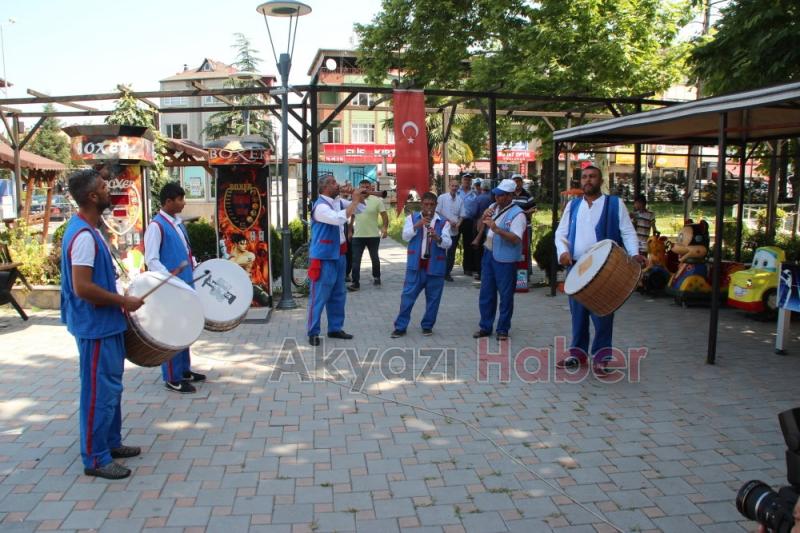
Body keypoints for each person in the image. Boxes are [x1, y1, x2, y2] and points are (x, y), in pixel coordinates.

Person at [60, 168, 144, 479]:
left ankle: (110, 442)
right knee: (98, 392)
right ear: (93, 197)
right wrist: (124, 301)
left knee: (110, 388)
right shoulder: (83, 236)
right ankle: (95, 458)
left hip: (105, 324)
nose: (110, 189)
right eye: (104, 186)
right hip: (95, 326)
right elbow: (83, 288)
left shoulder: (91, 229)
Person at [554, 166, 645, 371]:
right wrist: (563, 252)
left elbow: (628, 232)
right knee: (578, 314)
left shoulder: (614, 204)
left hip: (605, 268)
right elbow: (560, 233)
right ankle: (577, 354)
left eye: (592, 177)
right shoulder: (573, 206)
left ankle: (601, 357)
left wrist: (633, 254)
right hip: (577, 267)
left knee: (603, 314)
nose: (588, 180)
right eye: (585, 177)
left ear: (601, 180)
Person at [144, 182, 206, 394]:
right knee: (172, 331)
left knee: (185, 328)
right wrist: (169, 278)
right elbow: (151, 260)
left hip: (185, 285)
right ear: (168, 201)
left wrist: (195, 266)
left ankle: (184, 370)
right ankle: (171, 376)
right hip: (171, 288)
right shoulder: (156, 226)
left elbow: (186, 252)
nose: (183, 202)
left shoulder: (177, 223)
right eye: (180, 199)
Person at [307, 175, 365, 346]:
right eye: (333, 182)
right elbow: (339, 219)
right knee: (319, 296)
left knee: (339, 294)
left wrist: (358, 195)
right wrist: (353, 200)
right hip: (323, 257)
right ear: (325, 187)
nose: (337, 184)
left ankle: (335, 328)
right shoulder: (320, 206)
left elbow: (361, 209)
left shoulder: (338, 202)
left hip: (339, 254)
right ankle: (313, 331)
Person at [391, 192, 452, 338]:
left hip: (435, 266)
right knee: (407, 297)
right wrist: (418, 225)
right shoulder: (411, 218)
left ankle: (427, 326)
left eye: (432, 204)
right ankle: (400, 327)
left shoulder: (444, 222)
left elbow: (448, 243)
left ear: (436, 205)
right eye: (426, 204)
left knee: (433, 299)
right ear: (421, 204)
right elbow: (405, 236)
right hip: (416, 266)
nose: (429, 207)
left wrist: (437, 238)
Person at [473, 179, 527, 341]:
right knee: (486, 293)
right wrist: (482, 217)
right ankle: (485, 326)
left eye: (502, 195)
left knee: (505, 295)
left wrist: (496, 229)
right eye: (496, 194)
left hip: (506, 259)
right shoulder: (492, 207)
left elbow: (516, 239)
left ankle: (503, 329)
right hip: (489, 254)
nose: (498, 198)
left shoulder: (518, 214)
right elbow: (479, 228)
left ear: (510, 196)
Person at [349, 179, 388, 291]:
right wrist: (350, 230)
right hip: (358, 235)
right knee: (356, 259)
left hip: (373, 235)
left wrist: (385, 228)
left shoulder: (377, 200)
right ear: (359, 188)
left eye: (367, 186)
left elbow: (384, 216)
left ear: (371, 188)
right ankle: (355, 283)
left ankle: (377, 276)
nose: (365, 189)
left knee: (374, 258)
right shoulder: (355, 200)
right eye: (363, 186)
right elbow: (352, 215)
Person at [436, 179, 464, 282]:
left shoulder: (460, 200)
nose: (454, 188)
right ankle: (439, 271)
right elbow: (437, 213)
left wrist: (458, 224)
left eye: (456, 186)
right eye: (452, 186)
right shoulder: (442, 198)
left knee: (451, 253)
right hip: (443, 229)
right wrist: (448, 221)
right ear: (449, 186)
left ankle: (447, 273)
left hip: (455, 230)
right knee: (441, 251)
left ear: (458, 187)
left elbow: (462, 216)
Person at [471, 180, 494, 281]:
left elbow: (474, 213)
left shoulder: (479, 198)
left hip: (479, 225)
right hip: (490, 226)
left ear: (481, 187)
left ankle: (480, 273)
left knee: (479, 250)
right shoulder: (493, 198)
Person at [459, 174, 479, 277]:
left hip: (469, 221)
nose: (467, 181)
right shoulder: (456, 192)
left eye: (469, 180)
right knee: (452, 244)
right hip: (457, 221)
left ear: (471, 182)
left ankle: (467, 268)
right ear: (462, 180)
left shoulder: (474, 193)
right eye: (465, 179)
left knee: (468, 245)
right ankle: (447, 269)